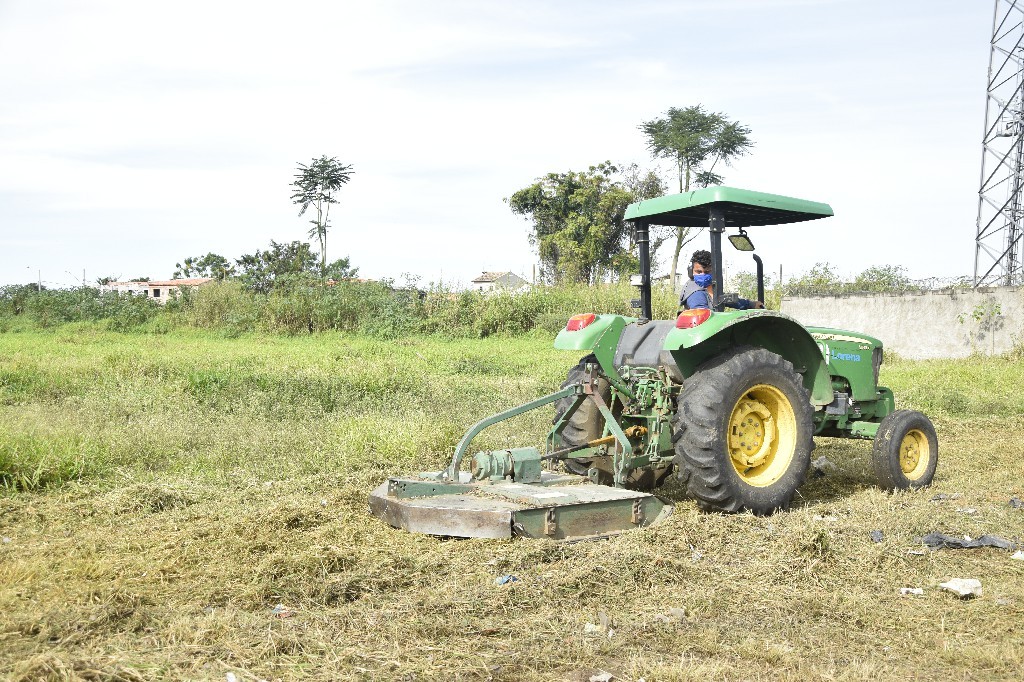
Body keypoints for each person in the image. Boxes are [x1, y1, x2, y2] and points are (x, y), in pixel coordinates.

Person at [679, 250, 764, 311]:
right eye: (699, 272)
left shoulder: (710, 288)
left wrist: (750, 304)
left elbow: (722, 299)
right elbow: (703, 316)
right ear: (691, 271)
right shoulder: (695, 293)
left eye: (707, 272)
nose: (703, 275)